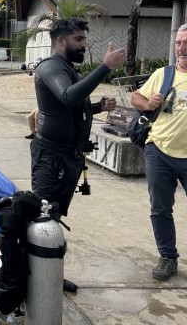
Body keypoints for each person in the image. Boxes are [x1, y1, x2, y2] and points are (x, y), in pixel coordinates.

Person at [31, 18, 125, 290]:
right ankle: (35, 278)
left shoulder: (67, 68)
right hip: (50, 157)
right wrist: (105, 67)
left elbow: (70, 109)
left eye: (84, 39)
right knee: (43, 217)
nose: (84, 45)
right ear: (61, 42)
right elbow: (68, 96)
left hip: (68, 156)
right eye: (78, 40)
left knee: (54, 216)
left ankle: (48, 273)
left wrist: (95, 108)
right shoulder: (50, 67)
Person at [130, 23, 187, 281]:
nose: (182, 48)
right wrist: (148, 102)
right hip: (160, 151)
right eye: (178, 43)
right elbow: (136, 98)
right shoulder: (163, 74)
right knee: (161, 209)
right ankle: (168, 257)